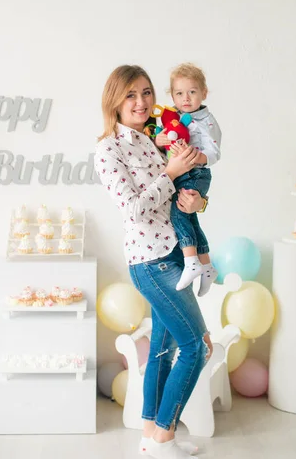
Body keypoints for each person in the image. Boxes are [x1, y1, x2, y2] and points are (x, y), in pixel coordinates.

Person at [95, 65, 212, 459]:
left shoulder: (152, 138)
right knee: (197, 346)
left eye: (146, 92)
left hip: (176, 253)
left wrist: (199, 199)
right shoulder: (109, 149)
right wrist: (169, 171)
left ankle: (151, 434)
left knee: (163, 350)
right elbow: (134, 209)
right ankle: (163, 437)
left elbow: (179, 194)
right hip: (150, 262)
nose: (142, 102)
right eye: (131, 95)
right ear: (115, 101)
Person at [154, 63, 221, 296]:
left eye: (192, 92)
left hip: (196, 172)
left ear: (204, 93)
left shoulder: (207, 120)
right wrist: (159, 141)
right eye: (179, 93)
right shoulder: (171, 117)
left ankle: (191, 261)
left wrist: (198, 157)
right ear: (172, 95)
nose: (186, 98)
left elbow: (215, 151)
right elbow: (165, 141)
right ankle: (207, 266)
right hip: (181, 172)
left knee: (179, 212)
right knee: (190, 220)